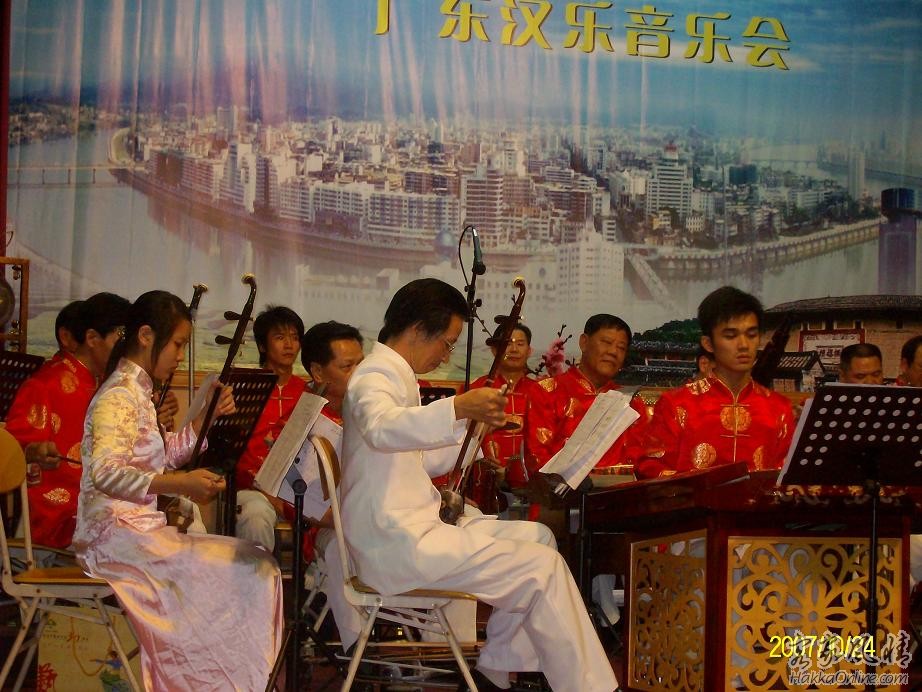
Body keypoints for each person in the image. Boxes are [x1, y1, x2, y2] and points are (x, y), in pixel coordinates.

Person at [340, 278, 617, 691]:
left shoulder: (395, 375)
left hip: (408, 531)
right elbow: (382, 429)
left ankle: (496, 670)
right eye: (447, 343)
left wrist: (474, 430)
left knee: (539, 539)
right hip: (395, 543)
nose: (446, 354)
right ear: (417, 329)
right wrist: (456, 406)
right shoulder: (374, 376)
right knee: (541, 568)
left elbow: (415, 458)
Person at [73, 290, 283, 691]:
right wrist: (179, 482)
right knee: (252, 569)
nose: (179, 355)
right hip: (112, 538)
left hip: (137, 532)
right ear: (146, 336)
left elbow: (162, 455)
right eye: (177, 344)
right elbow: (104, 473)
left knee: (255, 563)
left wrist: (205, 418)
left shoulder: (138, 391)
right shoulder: (118, 395)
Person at [5, 292, 130, 548]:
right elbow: (10, 450)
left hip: (99, 502)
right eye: (120, 338)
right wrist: (33, 451)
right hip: (63, 512)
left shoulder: (107, 384)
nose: (126, 351)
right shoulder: (45, 383)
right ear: (92, 339)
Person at [636, 286, 794, 479]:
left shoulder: (779, 408)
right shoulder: (676, 404)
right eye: (730, 336)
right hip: (692, 499)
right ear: (708, 344)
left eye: (751, 335)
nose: (744, 345)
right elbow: (650, 467)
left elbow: (788, 475)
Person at [526, 313, 649, 475]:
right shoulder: (547, 391)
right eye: (606, 342)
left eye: (621, 348)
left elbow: (641, 460)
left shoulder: (631, 403)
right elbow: (537, 457)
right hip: (559, 489)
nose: (613, 352)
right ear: (584, 342)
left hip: (620, 489)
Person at [235, 305, 307, 550]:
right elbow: (236, 456)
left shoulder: (307, 392)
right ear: (262, 346)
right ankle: (259, 575)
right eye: (280, 337)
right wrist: (268, 493)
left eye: (294, 337)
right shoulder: (246, 390)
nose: (289, 344)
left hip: (298, 489)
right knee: (255, 516)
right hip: (253, 489)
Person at [467, 324, 539, 495]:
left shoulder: (540, 391)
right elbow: (462, 436)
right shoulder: (476, 389)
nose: (514, 349)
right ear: (494, 350)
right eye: (507, 344)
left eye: (520, 344)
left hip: (529, 481)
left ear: (529, 351)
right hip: (483, 480)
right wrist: (481, 457)